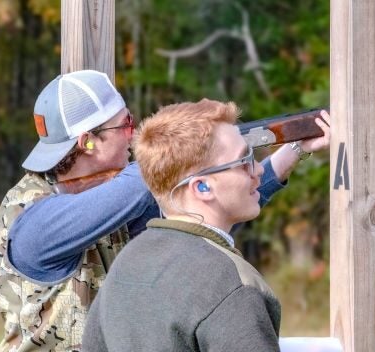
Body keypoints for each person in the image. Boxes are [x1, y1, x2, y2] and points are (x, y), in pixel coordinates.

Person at [0, 70, 330, 352]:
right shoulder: (31, 219)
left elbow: (199, 213)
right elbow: (167, 179)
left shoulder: (110, 197)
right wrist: (195, 144)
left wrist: (292, 151)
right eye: (125, 125)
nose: (134, 133)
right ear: (88, 142)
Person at [83, 99, 289, 351]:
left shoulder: (125, 264)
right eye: (244, 160)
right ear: (201, 187)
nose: (257, 170)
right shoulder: (229, 283)